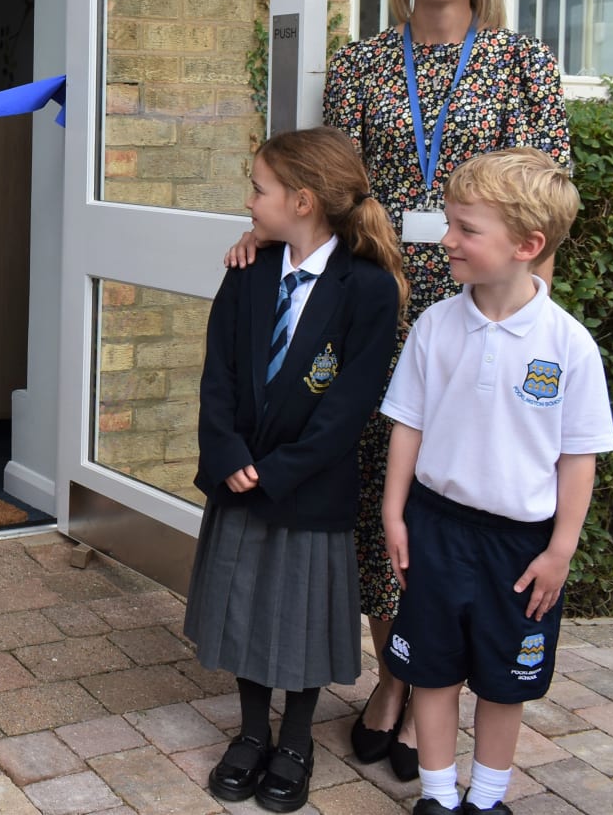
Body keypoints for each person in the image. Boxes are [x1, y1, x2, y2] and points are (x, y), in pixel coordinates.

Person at [225, 0, 570, 779]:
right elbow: (324, 184)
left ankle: (424, 688)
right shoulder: (361, 65)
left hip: (476, 309)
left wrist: (527, 316)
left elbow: (549, 207)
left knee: (453, 498)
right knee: (380, 491)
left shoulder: (524, 63)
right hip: (378, 301)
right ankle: (398, 674)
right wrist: (262, 227)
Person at [380, 148, 613, 815]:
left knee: (504, 678)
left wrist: (560, 548)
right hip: (436, 527)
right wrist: (395, 513)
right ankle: (434, 795)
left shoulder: (568, 346)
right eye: (450, 222)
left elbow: (578, 456)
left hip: (520, 546)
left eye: (465, 228)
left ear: (527, 245)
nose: (447, 238)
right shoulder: (434, 326)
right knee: (430, 666)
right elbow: (408, 425)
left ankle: (486, 800)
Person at [188, 128, 405, 813]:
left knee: (302, 617)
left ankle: (298, 739)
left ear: (303, 200)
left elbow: (350, 406)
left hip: (310, 490)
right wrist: (228, 455)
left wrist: (279, 469)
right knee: (248, 608)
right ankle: (253, 733)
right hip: (240, 479)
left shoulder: (367, 290)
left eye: (259, 189)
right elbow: (217, 375)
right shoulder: (247, 270)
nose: (250, 201)